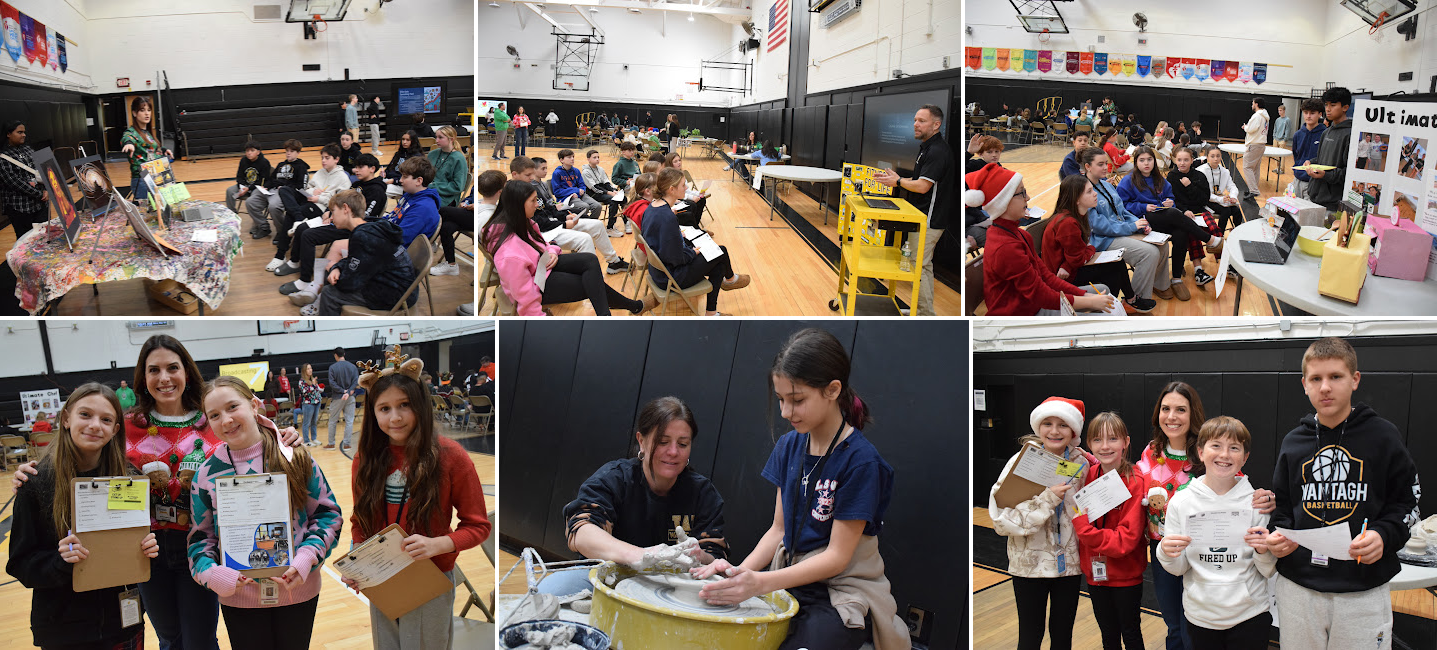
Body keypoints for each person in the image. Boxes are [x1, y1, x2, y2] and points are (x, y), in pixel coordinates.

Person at [690, 329, 906, 650]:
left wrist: (759, 583)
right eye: (780, 399)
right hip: (787, 579)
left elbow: (835, 558)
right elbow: (778, 530)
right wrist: (737, 574)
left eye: (797, 400)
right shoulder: (790, 446)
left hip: (840, 591)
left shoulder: (862, 462)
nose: (785, 412)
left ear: (833, 390)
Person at [1266, 337, 1418, 650]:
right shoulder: (1293, 443)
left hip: (1363, 589)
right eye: (1316, 379)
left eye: (1335, 376)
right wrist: (1278, 538)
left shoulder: (1383, 435)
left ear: (1354, 379)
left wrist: (1383, 535)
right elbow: (1282, 509)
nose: (1325, 387)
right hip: (1299, 588)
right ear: (1304, 384)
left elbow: (1407, 501)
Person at [340, 364, 490, 650]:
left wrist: (439, 544)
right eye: (384, 408)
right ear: (373, 413)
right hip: (383, 577)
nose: (394, 417)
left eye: (404, 405)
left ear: (420, 405)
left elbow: (479, 527)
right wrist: (358, 563)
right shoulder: (367, 458)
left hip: (429, 577)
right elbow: (361, 521)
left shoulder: (451, 457)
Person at [188, 376, 342, 650]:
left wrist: (307, 557)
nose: (226, 420)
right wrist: (214, 576)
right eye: (214, 415)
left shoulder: (294, 455)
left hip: (297, 592)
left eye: (233, 407)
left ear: (254, 405)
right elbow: (200, 541)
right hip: (240, 599)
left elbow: (328, 516)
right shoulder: (205, 475)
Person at [6, 382, 160, 649]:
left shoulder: (130, 480)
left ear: (115, 430)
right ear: (66, 419)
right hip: (64, 630)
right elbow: (20, 564)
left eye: (106, 419)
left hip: (122, 624)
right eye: (85, 414)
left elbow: (134, 551)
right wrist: (60, 560)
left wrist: (146, 550)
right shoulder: (36, 483)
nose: (94, 425)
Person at [1137, 382, 1277, 650]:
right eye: (1165, 409)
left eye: (1180, 409)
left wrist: (1263, 501)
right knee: (1175, 625)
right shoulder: (1151, 453)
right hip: (1170, 546)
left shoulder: (1207, 456)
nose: (1172, 416)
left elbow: (1231, 482)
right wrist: (1165, 548)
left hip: (1240, 601)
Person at [549, 396, 725, 594]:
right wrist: (643, 556)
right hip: (608, 577)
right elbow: (581, 532)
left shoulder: (702, 494)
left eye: (683, 444)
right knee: (549, 590)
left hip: (670, 589)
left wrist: (698, 555)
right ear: (641, 441)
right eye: (663, 442)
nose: (673, 452)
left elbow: (717, 560)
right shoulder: (615, 479)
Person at [989, 396, 1094, 650]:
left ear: (1073, 431)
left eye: (1063, 424)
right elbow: (1001, 521)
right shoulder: (1021, 462)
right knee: (1030, 636)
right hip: (1029, 566)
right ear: (1038, 427)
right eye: (1048, 423)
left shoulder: (1082, 463)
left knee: (1062, 636)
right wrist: (1046, 500)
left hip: (1068, 566)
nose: (1055, 431)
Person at [482, 180, 656, 316]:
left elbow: (542, 243)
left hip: (541, 266)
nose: (537, 204)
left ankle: (620, 311)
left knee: (589, 260)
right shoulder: (508, 253)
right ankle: (625, 310)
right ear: (519, 205)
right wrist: (537, 316)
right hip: (536, 284)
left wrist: (551, 251)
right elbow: (524, 295)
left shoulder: (520, 221)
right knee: (590, 284)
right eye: (533, 201)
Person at [970, 163, 1114, 315]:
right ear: (1002, 203)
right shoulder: (1005, 247)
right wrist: (1088, 301)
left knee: (1102, 292)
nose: (1028, 197)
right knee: (1101, 309)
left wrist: (1084, 296)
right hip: (1021, 314)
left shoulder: (1019, 234)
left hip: (1032, 303)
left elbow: (1046, 277)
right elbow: (1040, 296)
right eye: (1021, 193)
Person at [1072, 412, 1148, 650]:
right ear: (1089, 444)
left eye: (1112, 439)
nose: (1105, 446)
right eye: (1097, 440)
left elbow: (1123, 542)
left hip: (1125, 577)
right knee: (1108, 635)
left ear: (1125, 442)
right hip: (1096, 575)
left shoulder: (1134, 480)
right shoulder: (1089, 475)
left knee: (1131, 634)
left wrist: (1083, 528)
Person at [875, 104, 953, 316]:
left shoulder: (937, 151)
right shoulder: (928, 147)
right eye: (915, 120)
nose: (915, 124)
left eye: (922, 121)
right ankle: (923, 311)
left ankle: (925, 314)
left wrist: (899, 181)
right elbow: (919, 181)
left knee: (920, 267)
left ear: (936, 125)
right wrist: (896, 181)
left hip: (930, 220)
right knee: (921, 266)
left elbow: (923, 186)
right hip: (923, 217)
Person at [1116, 146, 1223, 298]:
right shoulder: (1128, 180)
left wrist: (1169, 202)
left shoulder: (1159, 179)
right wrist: (1143, 206)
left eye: (1149, 159)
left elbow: (1171, 197)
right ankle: (1210, 239)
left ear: (1154, 161)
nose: (1146, 163)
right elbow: (1122, 206)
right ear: (1136, 162)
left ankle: (1177, 279)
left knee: (1181, 232)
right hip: (1142, 221)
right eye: (1142, 160)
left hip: (1162, 218)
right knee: (1174, 214)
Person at [643, 168, 751, 316]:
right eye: (683, 186)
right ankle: (729, 280)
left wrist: (681, 241)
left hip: (658, 271)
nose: (687, 188)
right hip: (671, 277)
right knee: (721, 251)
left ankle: (714, 309)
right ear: (672, 189)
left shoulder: (652, 207)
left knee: (718, 263)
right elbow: (676, 259)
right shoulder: (667, 217)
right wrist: (692, 252)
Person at [300, 189, 417, 316]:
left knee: (330, 293)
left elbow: (350, 283)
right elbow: (357, 260)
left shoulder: (363, 237)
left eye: (333, 211)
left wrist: (334, 267)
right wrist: (337, 267)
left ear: (346, 208)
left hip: (396, 294)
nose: (331, 217)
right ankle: (321, 305)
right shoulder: (370, 225)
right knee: (332, 273)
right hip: (398, 285)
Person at [1040, 175, 1148, 313]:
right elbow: (1079, 257)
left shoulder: (1077, 216)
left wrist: (1086, 249)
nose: (1095, 193)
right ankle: (1110, 307)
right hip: (1063, 278)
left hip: (1069, 268)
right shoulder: (1068, 223)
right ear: (1077, 199)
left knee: (1116, 263)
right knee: (1114, 270)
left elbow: (1081, 250)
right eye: (1089, 191)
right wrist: (1090, 248)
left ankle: (1126, 301)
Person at [276, 153, 386, 286]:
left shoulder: (377, 191)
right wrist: (329, 212)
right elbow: (340, 201)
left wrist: (337, 218)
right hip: (338, 220)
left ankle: (304, 280)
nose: (356, 170)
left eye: (360, 167)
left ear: (372, 169)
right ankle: (295, 261)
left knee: (308, 235)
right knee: (301, 227)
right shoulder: (356, 184)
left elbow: (363, 218)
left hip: (351, 228)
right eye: (355, 167)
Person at [1080, 148, 1172, 305]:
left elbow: (1121, 211)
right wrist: (1131, 226)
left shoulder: (1106, 185)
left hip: (1120, 231)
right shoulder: (1083, 189)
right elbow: (1098, 226)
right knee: (1149, 253)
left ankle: (1159, 285)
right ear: (1088, 166)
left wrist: (1140, 224)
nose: (1105, 168)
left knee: (1161, 245)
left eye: (1106, 164)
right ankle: (1134, 299)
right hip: (1103, 240)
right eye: (1100, 164)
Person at [515, 156, 630, 273]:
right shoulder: (516, 195)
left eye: (531, 174)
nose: (531, 178)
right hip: (545, 233)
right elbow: (538, 223)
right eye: (528, 175)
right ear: (514, 174)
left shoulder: (531, 187)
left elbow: (549, 208)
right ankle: (589, 276)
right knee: (585, 239)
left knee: (597, 225)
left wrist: (564, 216)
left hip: (553, 224)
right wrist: (564, 224)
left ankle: (614, 262)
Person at [268, 143, 350, 273]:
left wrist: (320, 198)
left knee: (290, 214)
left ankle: (280, 255)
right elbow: (306, 188)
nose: (323, 161)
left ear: (336, 159)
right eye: (322, 158)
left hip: (321, 207)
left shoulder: (343, 178)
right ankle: (298, 218)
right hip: (308, 200)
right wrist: (313, 192)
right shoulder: (319, 172)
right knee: (284, 190)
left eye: (327, 158)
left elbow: (339, 202)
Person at [1166, 147, 1223, 287]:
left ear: (1192, 160)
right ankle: (1198, 271)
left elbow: (1204, 199)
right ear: (1175, 160)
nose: (1182, 163)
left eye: (1186, 160)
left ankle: (1226, 262)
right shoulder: (1171, 177)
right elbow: (1173, 199)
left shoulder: (1199, 175)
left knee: (1214, 230)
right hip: (1182, 213)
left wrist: (1190, 186)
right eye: (1179, 160)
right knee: (1192, 234)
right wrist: (1184, 210)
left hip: (1200, 210)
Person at [245, 139, 309, 240]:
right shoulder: (280, 165)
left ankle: (282, 231)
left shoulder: (301, 167)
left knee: (274, 206)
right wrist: (266, 186)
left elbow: (300, 186)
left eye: (291, 151)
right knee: (250, 202)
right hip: (272, 190)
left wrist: (284, 187)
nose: (288, 153)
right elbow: (272, 179)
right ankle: (264, 227)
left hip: (285, 193)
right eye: (287, 151)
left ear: (298, 153)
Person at [1306, 88, 1353, 215]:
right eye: (1326, 105)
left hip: (1332, 204)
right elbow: (1321, 159)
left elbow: (1348, 173)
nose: (1328, 109)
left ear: (1345, 107)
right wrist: (1311, 162)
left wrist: (1325, 175)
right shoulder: (1326, 131)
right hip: (1314, 196)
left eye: (1333, 105)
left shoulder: (1350, 135)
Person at [121, 97, 172, 207]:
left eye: (149, 110)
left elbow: (151, 147)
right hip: (142, 181)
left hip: (154, 177)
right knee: (145, 216)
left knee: (159, 212)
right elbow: (127, 137)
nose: (147, 114)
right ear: (134, 113)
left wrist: (163, 149)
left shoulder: (147, 133)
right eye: (142, 110)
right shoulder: (132, 132)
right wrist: (128, 143)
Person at [0, 120, 47, 238]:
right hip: (19, 207)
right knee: (25, 239)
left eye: (24, 132)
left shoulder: (29, 149)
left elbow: (42, 170)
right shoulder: (3, 156)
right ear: (8, 134)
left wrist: (46, 190)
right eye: (19, 132)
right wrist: (39, 194)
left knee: (45, 235)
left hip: (40, 204)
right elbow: (14, 182)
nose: (24, 135)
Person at [225, 140, 271, 236]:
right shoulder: (243, 160)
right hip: (244, 187)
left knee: (251, 201)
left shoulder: (264, 162)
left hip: (257, 188)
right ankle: (232, 215)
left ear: (258, 152)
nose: (249, 153)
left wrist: (248, 188)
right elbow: (239, 176)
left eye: (252, 151)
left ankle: (258, 223)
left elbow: (262, 181)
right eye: (247, 151)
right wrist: (242, 187)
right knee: (230, 191)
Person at [1197, 145, 1243, 233]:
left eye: (1218, 156)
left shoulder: (1225, 171)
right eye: (1212, 156)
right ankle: (1219, 235)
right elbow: (1204, 193)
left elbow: (1232, 186)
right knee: (1226, 211)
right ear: (1207, 157)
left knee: (1236, 210)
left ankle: (1236, 232)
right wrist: (1220, 199)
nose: (1215, 159)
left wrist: (1233, 196)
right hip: (1207, 200)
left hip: (1220, 198)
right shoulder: (1201, 171)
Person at [581, 149, 627, 235]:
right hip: (594, 194)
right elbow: (594, 188)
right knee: (614, 200)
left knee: (623, 198)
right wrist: (609, 193)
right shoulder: (585, 172)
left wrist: (613, 190)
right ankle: (610, 228)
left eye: (598, 157)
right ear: (588, 159)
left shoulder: (600, 169)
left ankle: (626, 221)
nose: (597, 159)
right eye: (594, 157)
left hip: (604, 191)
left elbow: (606, 183)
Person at [551, 149, 603, 221]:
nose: (572, 159)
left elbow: (582, 185)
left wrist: (579, 192)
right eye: (569, 157)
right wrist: (575, 191)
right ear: (561, 160)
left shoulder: (576, 171)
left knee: (597, 206)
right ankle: (581, 226)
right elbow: (557, 192)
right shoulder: (557, 173)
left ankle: (590, 225)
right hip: (566, 198)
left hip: (579, 195)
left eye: (573, 157)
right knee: (585, 207)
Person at [661, 152, 711, 228]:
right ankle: (693, 227)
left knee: (702, 199)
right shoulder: (669, 176)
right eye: (675, 161)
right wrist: (692, 197)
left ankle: (695, 226)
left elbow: (686, 190)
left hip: (682, 196)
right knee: (692, 205)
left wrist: (698, 193)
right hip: (675, 199)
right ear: (670, 164)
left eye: (679, 160)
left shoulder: (681, 173)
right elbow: (677, 194)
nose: (679, 163)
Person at [427, 125, 468, 208]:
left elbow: (457, 187)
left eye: (440, 137)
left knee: (422, 205)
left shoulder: (458, 159)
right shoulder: (432, 154)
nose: (437, 140)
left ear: (451, 139)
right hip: (428, 191)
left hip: (447, 198)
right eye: (436, 137)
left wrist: (432, 186)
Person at [326, 347, 358, 451]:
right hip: (350, 397)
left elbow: (332, 383)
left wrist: (342, 391)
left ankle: (331, 444)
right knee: (349, 421)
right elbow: (355, 382)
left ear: (335, 355)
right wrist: (348, 392)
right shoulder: (353, 367)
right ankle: (347, 444)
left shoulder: (332, 367)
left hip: (337, 397)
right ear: (344, 354)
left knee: (332, 421)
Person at [1240, 99, 1270, 199]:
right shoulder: (1265, 116)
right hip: (1261, 144)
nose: (1251, 105)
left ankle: (1253, 190)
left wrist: (1245, 127)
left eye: (1252, 103)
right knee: (1255, 168)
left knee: (1247, 167)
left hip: (1254, 144)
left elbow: (1252, 129)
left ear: (1256, 104)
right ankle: (1253, 188)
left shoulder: (1257, 116)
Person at [298, 363, 322, 446]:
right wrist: (312, 384)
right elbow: (305, 392)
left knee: (314, 422)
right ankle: (307, 441)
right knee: (306, 423)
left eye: (311, 368)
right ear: (304, 371)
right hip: (308, 404)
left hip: (316, 402)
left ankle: (314, 438)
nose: (310, 370)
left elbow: (317, 389)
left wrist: (319, 388)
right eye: (308, 369)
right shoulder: (302, 381)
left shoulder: (312, 379)